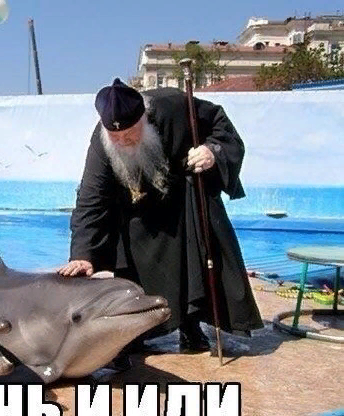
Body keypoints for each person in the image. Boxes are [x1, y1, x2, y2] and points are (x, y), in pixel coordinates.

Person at [58, 78, 264, 356]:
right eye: (116, 138)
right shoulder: (101, 143)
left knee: (195, 255)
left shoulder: (173, 105)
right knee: (132, 263)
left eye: (131, 134)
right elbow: (91, 200)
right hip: (136, 210)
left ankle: (191, 324)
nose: (124, 142)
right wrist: (83, 254)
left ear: (144, 118)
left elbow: (220, 125)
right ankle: (137, 331)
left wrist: (212, 151)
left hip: (183, 200)